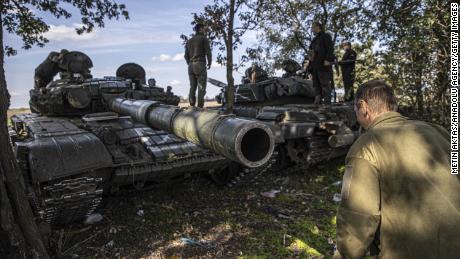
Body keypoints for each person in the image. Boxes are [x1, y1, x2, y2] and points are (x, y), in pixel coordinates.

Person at [334, 80, 460, 258]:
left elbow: (359, 215)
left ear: (363, 107)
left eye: (355, 109)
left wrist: (345, 254)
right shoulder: (439, 132)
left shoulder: (367, 145)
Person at [184, 23, 212, 108]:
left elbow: (185, 56)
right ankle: (200, 106)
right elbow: (208, 52)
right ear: (200, 29)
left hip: (190, 66)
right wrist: (209, 62)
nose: (205, 30)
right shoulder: (204, 38)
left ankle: (192, 105)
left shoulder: (189, 41)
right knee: (201, 86)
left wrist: (190, 63)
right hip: (200, 64)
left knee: (192, 86)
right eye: (203, 28)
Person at [308, 21, 335, 105]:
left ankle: (327, 104)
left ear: (317, 27)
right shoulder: (314, 40)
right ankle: (318, 102)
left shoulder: (325, 36)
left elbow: (330, 49)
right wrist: (309, 65)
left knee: (325, 85)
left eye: (313, 28)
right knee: (316, 84)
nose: (312, 30)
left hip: (323, 65)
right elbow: (311, 53)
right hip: (315, 66)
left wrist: (328, 59)